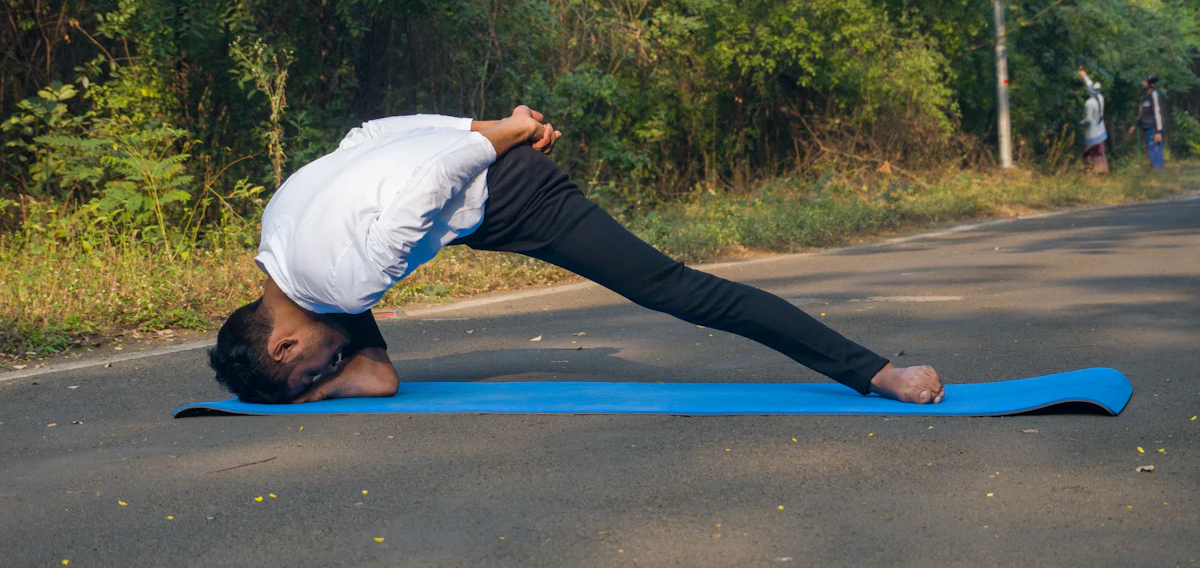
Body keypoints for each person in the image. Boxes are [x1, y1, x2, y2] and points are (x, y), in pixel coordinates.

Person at [208, 107, 946, 406]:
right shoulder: (275, 233)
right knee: (367, 348)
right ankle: (871, 368)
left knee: (672, 288)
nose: (335, 366)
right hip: (473, 185)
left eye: (315, 369)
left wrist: (498, 132)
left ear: (282, 341)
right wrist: (477, 122)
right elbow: (367, 135)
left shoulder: (344, 281)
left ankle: (874, 369)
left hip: (512, 190)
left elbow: (429, 180)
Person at [1128, 75, 1165, 170]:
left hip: (1154, 129)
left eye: (1145, 81)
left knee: (1155, 150)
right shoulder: (1146, 97)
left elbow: (1157, 113)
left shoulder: (1155, 96)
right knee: (1151, 150)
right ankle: (1155, 169)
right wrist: (1136, 125)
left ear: (1150, 84)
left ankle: (1158, 170)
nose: (1142, 83)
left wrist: (1157, 131)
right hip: (1148, 129)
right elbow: (1143, 114)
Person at [1077, 68, 1108, 173]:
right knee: (1101, 153)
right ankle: (1104, 171)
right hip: (1101, 132)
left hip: (1092, 134)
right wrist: (1084, 76)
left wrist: (1080, 122)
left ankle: (1093, 173)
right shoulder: (1100, 97)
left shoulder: (1089, 103)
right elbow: (1091, 85)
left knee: (1091, 154)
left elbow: (1088, 120)